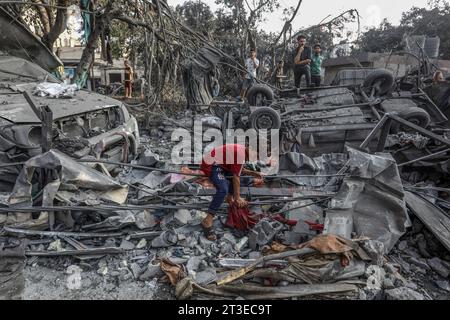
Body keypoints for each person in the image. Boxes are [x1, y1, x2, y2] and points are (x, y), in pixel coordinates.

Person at [200, 144, 263, 240]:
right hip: (211, 165)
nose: (256, 158)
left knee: (238, 179)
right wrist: (237, 198)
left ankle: (229, 198)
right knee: (223, 190)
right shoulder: (240, 154)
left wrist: (253, 173)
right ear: (250, 148)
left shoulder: (242, 152)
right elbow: (236, 177)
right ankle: (207, 220)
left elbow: (238, 169)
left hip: (222, 166)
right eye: (256, 155)